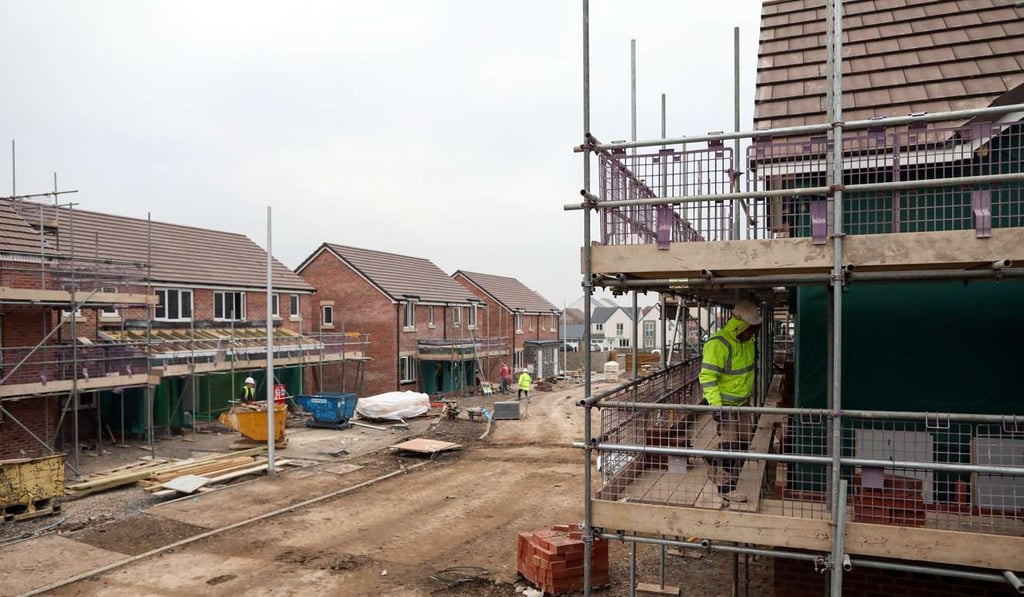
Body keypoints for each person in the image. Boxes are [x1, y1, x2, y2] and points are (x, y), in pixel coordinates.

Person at [699, 300, 761, 503]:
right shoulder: (718, 343)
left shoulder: (748, 342)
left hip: (742, 404)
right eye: (751, 329)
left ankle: (714, 459)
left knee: (742, 445)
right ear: (740, 326)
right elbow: (707, 377)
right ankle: (726, 488)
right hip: (726, 406)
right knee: (731, 446)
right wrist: (716, 406)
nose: (753, 334)